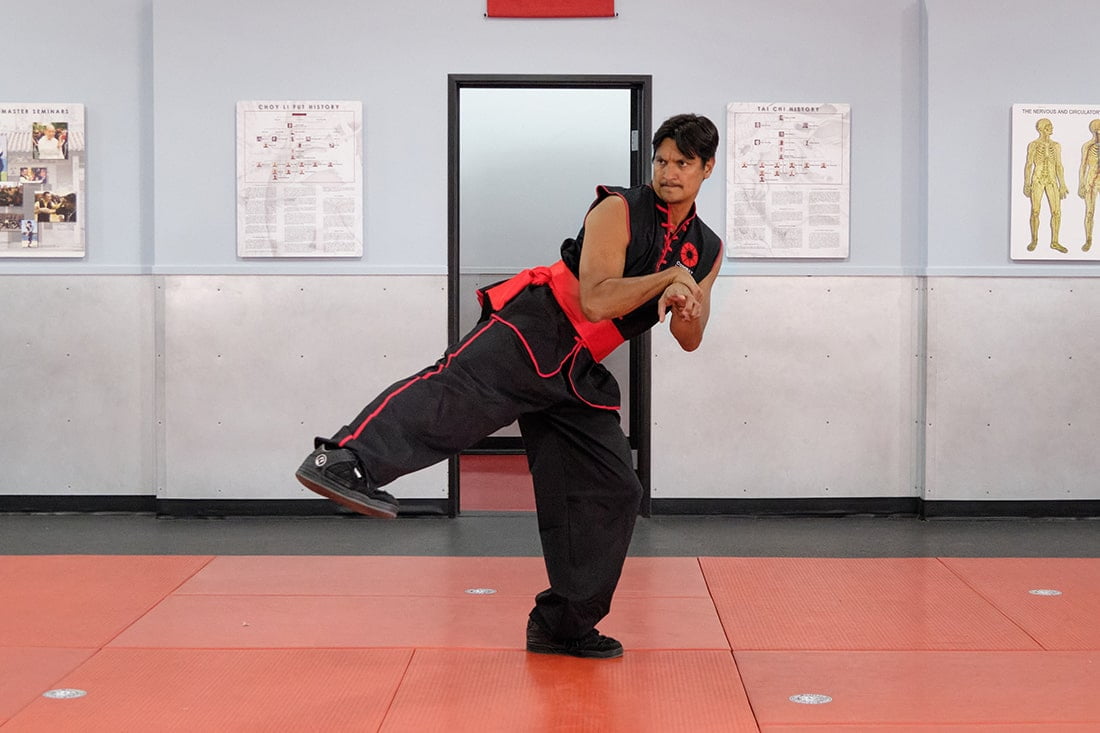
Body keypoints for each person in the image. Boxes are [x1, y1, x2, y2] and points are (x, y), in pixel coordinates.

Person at [296, 113, 723, 659]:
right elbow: (596, 298)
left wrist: (688, 303)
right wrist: (665, 280)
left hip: (581, 368)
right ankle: (344, 461)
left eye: (683, 163)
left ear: (707, 168)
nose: (669, 172)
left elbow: (690, 337)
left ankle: (562, 625)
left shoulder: (706, 248)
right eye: (661, 160)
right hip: (535, 324)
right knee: (451, 395)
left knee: (613, 489)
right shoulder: (619, 208)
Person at [1023, 118, 1069, 253]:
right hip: (1037, 179)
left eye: (1051, 125)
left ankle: (1055, 242)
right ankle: (1034, 240)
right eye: (1048, 126)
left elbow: (1059, 165)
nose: (1051, 127)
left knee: (1057, 212)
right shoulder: (1033, 145)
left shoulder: (1056, 145)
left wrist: (1063, 184)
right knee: (1035, 211)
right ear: (1041, 128)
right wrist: (1026, 183)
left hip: (1052, 180)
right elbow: (1029, 165)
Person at [1079, 119, 1100, 252]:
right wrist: (1081, 184)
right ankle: (1088, 239)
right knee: (1090, 211)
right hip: (1091, 180)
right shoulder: (1087, 146)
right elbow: (1083, 166)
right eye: (1097, 131)